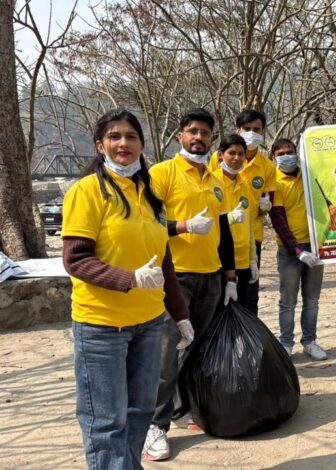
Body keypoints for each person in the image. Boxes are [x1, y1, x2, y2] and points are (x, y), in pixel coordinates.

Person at [62, 108, 193, 469]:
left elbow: (163, 259)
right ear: (100, 145)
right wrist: (129, 279)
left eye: (131, 136)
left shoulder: (149, 192)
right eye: (115, 137)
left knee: (139, 414)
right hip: (102, 326)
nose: (123, 143)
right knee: (106, 422)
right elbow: (76, 259)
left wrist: (179, 314)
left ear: (142, 144)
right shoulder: (87, 192)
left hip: (150, 323)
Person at [144, 109, 236, 461]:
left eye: (205, 133)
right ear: (179, 136)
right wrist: (181, 226)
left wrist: (229, 277)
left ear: (213, 139)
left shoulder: (216, 179)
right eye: (192, 131)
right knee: (168, 353)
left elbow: (223, 231)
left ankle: (191, 410)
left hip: (210, 276)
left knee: (198, 351)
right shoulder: (161, 174)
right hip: (174, 277)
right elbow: (147, 224)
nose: (199, 137)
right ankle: (156, 425)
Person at [209, 110, 277, 314]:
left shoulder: (266, 167)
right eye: (246, 129)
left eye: (256, 129)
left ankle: (248, 344)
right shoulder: (216, 165)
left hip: (250, 242)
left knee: (248, 298)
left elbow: (266, 201)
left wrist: (266, 208)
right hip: (219, 243)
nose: (251, 133)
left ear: (264, 131)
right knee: (221, 301)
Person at [267, 138, 327, 360]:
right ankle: (286, 344)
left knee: (312, 300)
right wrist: (298, 251)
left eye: (290, 151)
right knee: (288, 301)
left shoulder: (310, 176)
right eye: (280, 153)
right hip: (290, 252)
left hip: (316, 246)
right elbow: (279, 221)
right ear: (274, 157)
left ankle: (310, 341)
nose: (286, 156)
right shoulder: (273, 181)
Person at [214, 134, 260, 309]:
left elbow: (249, 226)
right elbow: (209, 225)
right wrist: (229, 219)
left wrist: (253, 259)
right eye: (231, 153)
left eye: (241, 154)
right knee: (222, 314)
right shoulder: (212, 183)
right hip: (221, 263)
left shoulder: (245, 184)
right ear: (220, 154)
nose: (236, 158)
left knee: (246, 311)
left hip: (243, 262)